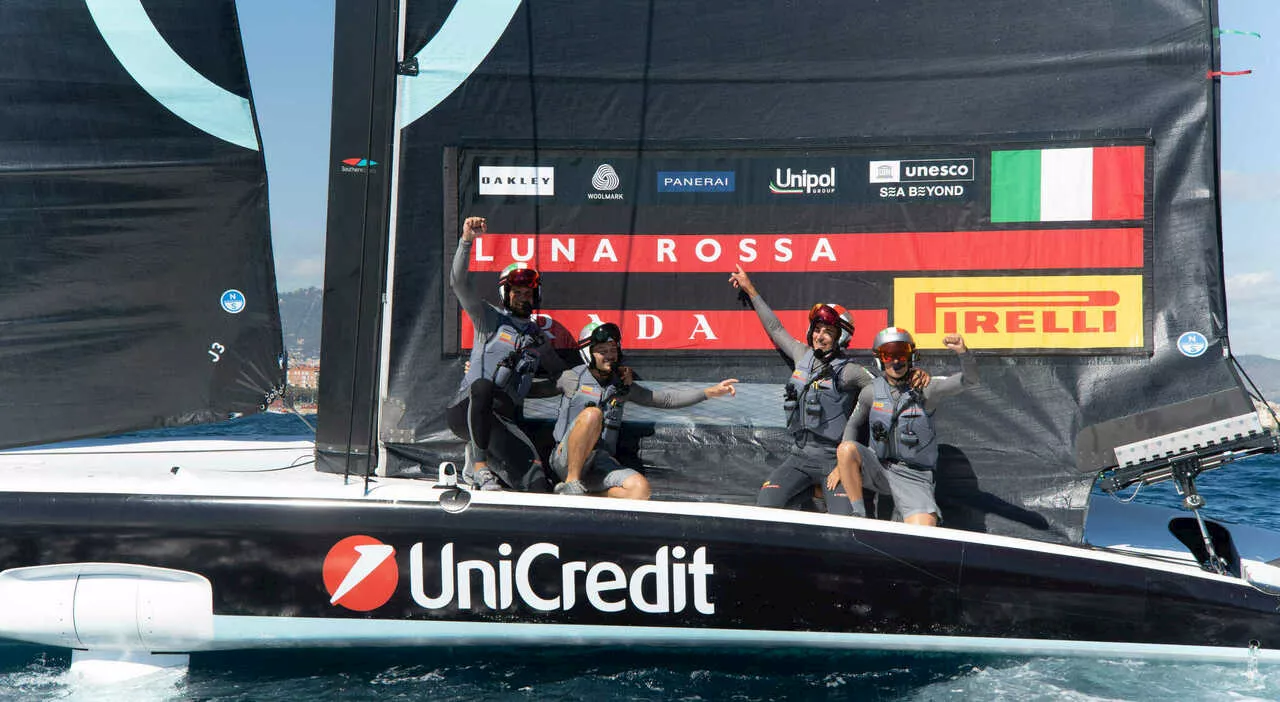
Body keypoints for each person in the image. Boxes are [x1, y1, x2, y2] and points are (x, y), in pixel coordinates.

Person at [728, 265, 928, 517]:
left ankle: (822, 497)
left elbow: (887, 391)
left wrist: (914, 375)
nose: (820, 336)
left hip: (833, 462)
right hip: (798, 457)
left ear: (841, 338)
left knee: (846, 521)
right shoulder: (802, 354)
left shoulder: (851, 372)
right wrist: (749, 288)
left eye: (828, 332)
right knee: (766, 504)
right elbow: (775, 328)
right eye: (818, 329)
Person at [551, 321, 738, 499]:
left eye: (612, 350)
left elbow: (666, 400)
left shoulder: (622, 386)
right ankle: (571, 482)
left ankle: (578, 495)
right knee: (593, 414)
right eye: (602, 351)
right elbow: (534, 390)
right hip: (565, 459)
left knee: (640, 490)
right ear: (588, 353)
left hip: (598, 462)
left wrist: (710, 392)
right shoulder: (572, 377)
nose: (609, 355)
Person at [446, 216, 567, 491]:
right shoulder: (488, 318)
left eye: (528, 292)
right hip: (467, 409)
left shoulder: (538, 337)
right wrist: (466, 242)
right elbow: (458, 284)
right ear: (505, 294)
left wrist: (591, 380)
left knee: (537, 483)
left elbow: (560, 375)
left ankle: (485, 458)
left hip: (504, 420)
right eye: (517, 292)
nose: (523, 297)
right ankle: (478, 467)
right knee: (482, 385)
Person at [829, 327, 978, 527]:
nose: (896, 361)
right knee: (845, 449)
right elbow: (853, 425)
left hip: (914, 476)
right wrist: (841, 464)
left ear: (911, 356)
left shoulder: (927, 389)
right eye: (888, 355)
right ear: (879, 359)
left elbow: (970, 380)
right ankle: (859, 516)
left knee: (923, 533)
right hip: (879, 467)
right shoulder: (870, 392)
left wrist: (963, 352)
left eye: (901, 353)